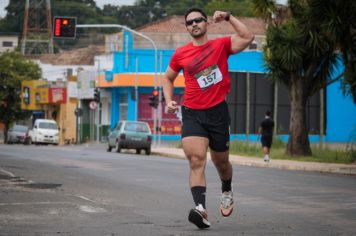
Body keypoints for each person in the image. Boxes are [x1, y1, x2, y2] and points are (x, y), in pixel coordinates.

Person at [162, 7, 254, 229]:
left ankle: (226, 188)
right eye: (189, 22)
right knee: (196, 160)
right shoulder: (180, 54)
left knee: (221, 162)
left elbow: (248, 37)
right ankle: (200, 209)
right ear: (187, 28)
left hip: (218, 113)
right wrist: (168, 100)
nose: (194, 24)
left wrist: (229, 17)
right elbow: (167, 78)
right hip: (192, 112)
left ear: (206, 23)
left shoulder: (220, 46)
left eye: (198, 20)